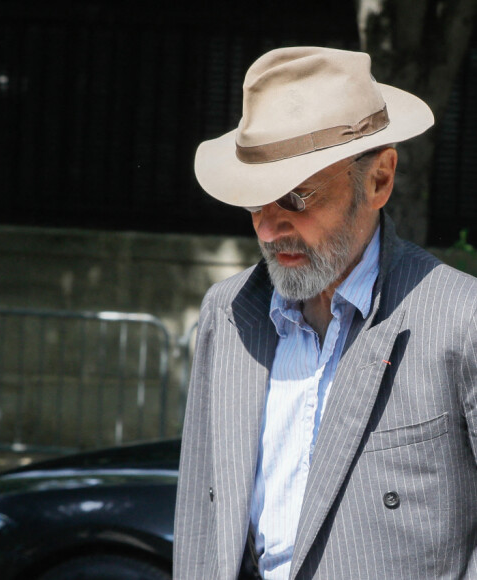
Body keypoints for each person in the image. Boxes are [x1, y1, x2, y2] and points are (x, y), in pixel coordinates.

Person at [173, 46, 477, 580]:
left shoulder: (460, 321)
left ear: (379, 180)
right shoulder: (228, 315)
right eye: (254, 202)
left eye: (294, 198)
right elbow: (202, 518)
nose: (268, 229)